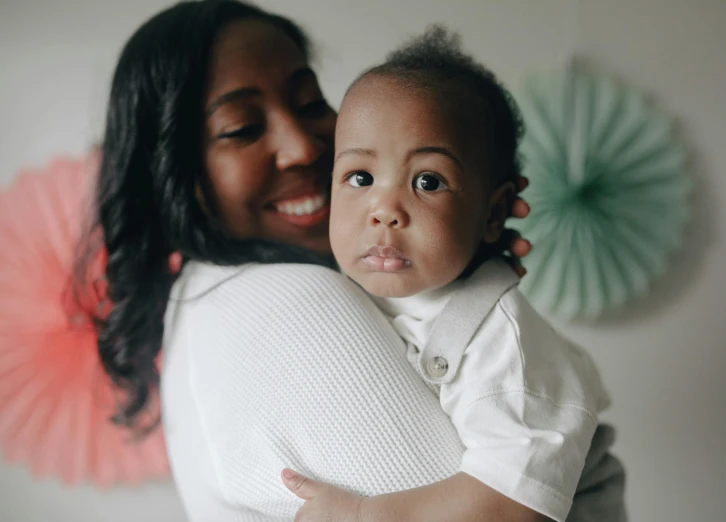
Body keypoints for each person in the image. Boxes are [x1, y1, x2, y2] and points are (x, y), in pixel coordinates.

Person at [76, 1, 623, 520]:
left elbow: (510, 503)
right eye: (242, 128)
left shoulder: (492, 336)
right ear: (173, 172)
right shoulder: (288, 303)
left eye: (311, 104)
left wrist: (455, 252)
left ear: (494, 209)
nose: (306, 148)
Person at [278, 26, 624, 522]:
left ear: (492, 213)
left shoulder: (501, 344)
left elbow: (509, 504)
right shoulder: (343, 283)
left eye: (427, 181)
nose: (384, 209)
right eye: (360, 177)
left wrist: (360, 515)